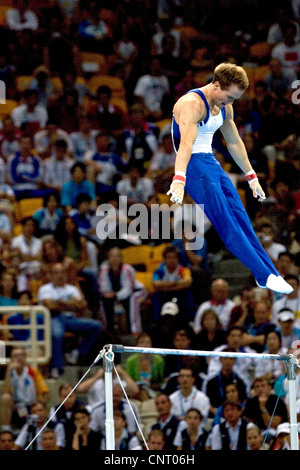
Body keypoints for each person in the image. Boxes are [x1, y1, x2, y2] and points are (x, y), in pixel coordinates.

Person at [167, 62, 293, 295]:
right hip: (193, 166)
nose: (231, 103)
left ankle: (267, 273)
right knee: (228, 223)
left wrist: (251, 175)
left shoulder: (226, 107)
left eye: (235, 99)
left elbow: (234, 141)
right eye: (229, 97)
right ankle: (265, 275)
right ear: (216, 85)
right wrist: (179, 177)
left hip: (211, 163)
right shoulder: (192, 105)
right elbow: (185, 143)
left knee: (242, 219)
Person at [37, 262, 103, 377]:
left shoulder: (72, 288)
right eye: (56, 273)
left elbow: (82, 305)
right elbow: (50, 306)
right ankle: (57, 368)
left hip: (71, 319)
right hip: (54, 317)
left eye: (62, 272)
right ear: (51, 275)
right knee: (57, 333)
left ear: (66, 274)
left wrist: (60, 303)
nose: (60, 275)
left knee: (96, 326)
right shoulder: (45, 289)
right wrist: (71, 303)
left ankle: (77, 353)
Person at [98, 246, 146, 335]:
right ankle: (108, 329)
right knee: (104, 300)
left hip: (137, 291)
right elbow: (104, 288)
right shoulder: (104, 271)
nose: (114, 259)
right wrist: (108, 294)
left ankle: (135, 329)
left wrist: (116, 295)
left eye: (117, 256)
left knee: (133, 300)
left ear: (121, 258)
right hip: (117, 294)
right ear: (108, 258)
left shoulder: (127, 269)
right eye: (112, 256)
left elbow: (129, 289)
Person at [0, 346, 49, 431]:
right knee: (5, 398)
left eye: (21, 355)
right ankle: (6, 431)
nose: (18, 358)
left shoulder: (32, 372)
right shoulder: (10, 373)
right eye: (15, 356)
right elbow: (6, 392)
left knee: (38, 410)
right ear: (11, 359)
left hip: (30, 407)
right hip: (16, 407)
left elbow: (46, 393)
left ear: (25, 358)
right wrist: (8, 371)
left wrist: (39, 404)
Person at [202, 348, 250, 415]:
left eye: (231, 359)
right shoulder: (211, 381)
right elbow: (205, 401)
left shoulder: (242, 381)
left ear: (235, 360)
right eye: (225, 358)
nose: (228, 362)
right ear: (220, 359)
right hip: (216, 415)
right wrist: (215, 411)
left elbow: (245, 400)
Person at [125, 333, 165, 400]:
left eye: (147, 342)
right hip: (136, 392)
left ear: (151, 345)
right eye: (141, 343)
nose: (145, 345)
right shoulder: (130, 361)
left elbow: (162, 380)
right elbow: (129, 381)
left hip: (155, 392)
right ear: (137, 346)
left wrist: (153, 386)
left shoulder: (159, 360)